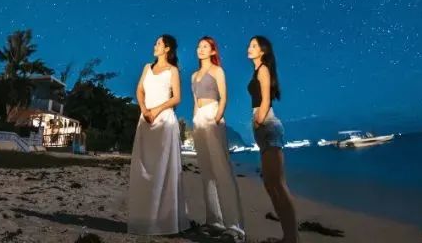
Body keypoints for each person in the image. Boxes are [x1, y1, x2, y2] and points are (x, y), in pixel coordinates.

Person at [128, 34, 189, 235]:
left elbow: (177, 98)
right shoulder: (147, 67)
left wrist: (156, 110)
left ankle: (165, 222)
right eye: (155, 43)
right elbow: (139, 90)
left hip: (163, 120)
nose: (155, 46)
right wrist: (144, 110)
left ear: (167, 48)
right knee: (143, 169)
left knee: (163, 170)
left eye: (158, 43)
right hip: (145, 120)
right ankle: (144, 219)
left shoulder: (173, 70)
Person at [191, 36, 245, 240]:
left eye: (205, 46)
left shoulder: (217, 70)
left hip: (213, 114)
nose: (201, 49)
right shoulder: (194, 75)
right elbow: (195, 101)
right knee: (207, 172)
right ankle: (215, 222)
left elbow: (224, 97)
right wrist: (195, 120)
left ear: (213, 51)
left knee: (222, 170)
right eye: (199, 46)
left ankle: (235, 227)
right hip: (199, 118)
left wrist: (217, 117)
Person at [248, 35, 298, 243]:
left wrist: (259, 119)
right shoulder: (257, 70)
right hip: (263, 128)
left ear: (263, 51)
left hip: (268, 125)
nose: (249, 48)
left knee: (278, 184)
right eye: (250, 45)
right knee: (270, 184)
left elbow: (266, 98)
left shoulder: (263, 69)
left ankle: (292, 238)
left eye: (254, 45)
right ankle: (288, 236)